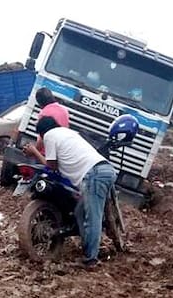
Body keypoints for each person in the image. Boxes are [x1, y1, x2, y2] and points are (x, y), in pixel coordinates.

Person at [23, 116, 116, 268]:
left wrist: (34, 151)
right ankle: (88, 249)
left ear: (41, 132)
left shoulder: (50, 136)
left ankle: (91, 259)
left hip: (95, 175)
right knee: (80, 211)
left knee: (93, 217)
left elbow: (51, 166)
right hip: (100, 170)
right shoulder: (68, 132)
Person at [34, 87, 69, 153]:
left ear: (40, 102)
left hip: (46, 152)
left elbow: (42, 138)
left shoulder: (44, 113)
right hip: (60, 150)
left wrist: (34, 151)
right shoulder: (64, 110)